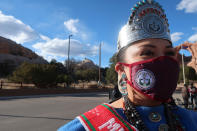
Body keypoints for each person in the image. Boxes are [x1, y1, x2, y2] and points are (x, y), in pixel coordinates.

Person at [58, 0, 197, 130]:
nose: (163, 61)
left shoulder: (191, 119)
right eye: (148, 52)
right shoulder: (86, 126)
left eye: (168, 54)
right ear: (121, 70)